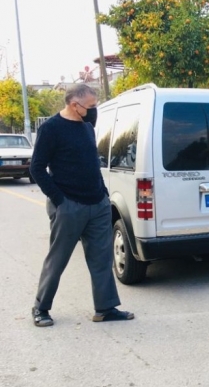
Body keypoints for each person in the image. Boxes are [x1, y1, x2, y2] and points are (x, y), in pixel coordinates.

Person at [29, 84, 134, 327]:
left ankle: (105, 308)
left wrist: (103, 193)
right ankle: (40, 308)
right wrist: (60, 200)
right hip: (69, 205)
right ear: (74, 105)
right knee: (57, 260)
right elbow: (36, 168)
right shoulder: (51, 128)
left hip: (97, 204)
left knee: (102, 259)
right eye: (91, 106)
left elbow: (91, 163)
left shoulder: (87, 127)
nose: (94, 110)